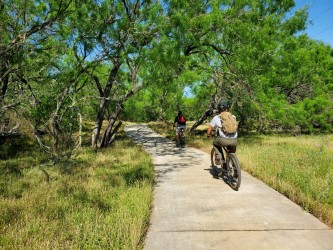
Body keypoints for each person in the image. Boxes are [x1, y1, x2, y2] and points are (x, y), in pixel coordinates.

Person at [207, 100, 238, 165]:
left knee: (215, 143)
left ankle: (220, 159)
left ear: (219, 109)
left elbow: (210, 128)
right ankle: (234, 165)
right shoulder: (233, 116)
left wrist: (208, 135)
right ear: (226, 108)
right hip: (234, 140)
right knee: (232, 151)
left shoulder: (216, 117)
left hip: (223, 140)